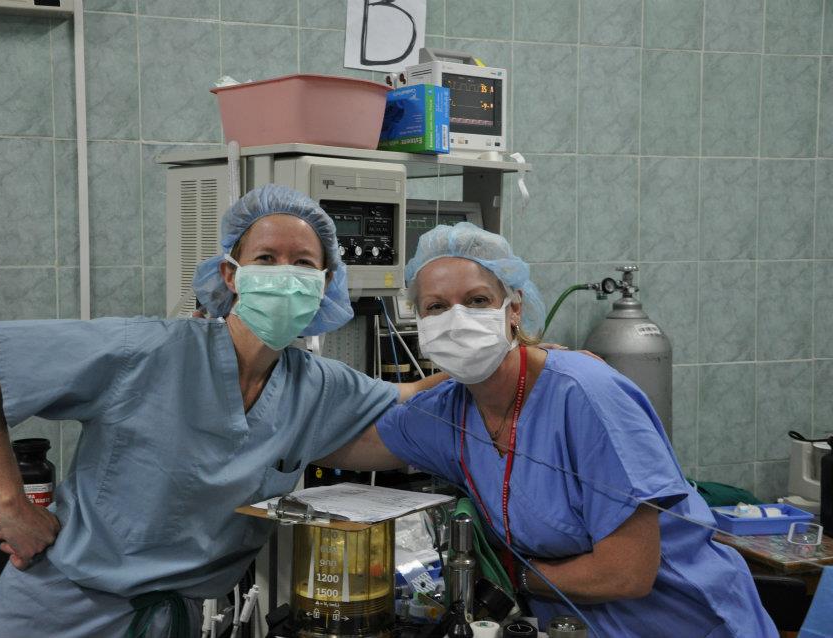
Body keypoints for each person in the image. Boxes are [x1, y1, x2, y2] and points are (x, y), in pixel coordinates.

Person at [0, 184, 445, 637]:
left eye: (303, 265)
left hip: (170, 619)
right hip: (61, 610)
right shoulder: (148, 350)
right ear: (231, 274)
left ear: (326, 281)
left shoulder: (311, 382)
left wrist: (492, 354)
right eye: (266, 259)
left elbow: (411, 399)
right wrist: (12, 508)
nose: (283, 276)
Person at [320, 223, 778, 637]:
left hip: (684, 621)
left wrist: (511, 575)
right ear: (419, 323)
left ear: (514, 308)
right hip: (571, 623)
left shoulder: (586, 394)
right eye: (436, 307)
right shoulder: (448, 411)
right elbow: (346, 445)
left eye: (477, 301)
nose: (456, 320)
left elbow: (627, 573)